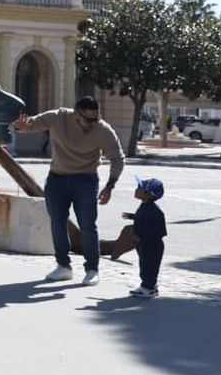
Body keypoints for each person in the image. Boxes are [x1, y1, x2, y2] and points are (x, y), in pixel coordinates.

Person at [12, 95, 124, 285]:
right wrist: (19, 126)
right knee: (57, 223)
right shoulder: (59, 117)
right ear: (76, 114)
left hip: (86, 180)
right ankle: (63, 266)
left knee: (88, 225)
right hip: (57, 178)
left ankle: (92, 270)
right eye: (88, 119)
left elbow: (118, 158)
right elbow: (31, 124)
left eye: (96, 118)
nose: (93, 123)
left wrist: (110, 186)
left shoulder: (102, 129)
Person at [122, 177, 167, 297]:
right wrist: (133, 216)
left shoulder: (155, 211)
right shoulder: (145, 206)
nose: (136, 189)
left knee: (149, 267)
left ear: (148, 194)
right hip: (143, 244)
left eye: (139, 188)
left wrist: (141, 238)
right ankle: (149, 285)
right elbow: (142, 218)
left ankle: (148, 288)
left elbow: (159, 231)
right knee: (145, 265)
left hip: (151, 245)